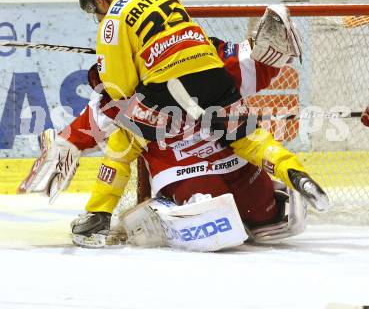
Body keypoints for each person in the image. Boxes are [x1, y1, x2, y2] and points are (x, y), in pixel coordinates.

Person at [20, 13, 307, 249]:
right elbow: (109, 150)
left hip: (230, 158)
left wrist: (266, 52)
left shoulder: (198, 56)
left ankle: (256, 199)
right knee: (212, 227)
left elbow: (247, 64)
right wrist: (66, 143)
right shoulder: (119, 96)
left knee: (268, 218)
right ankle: (164, 207)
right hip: (181, 173)